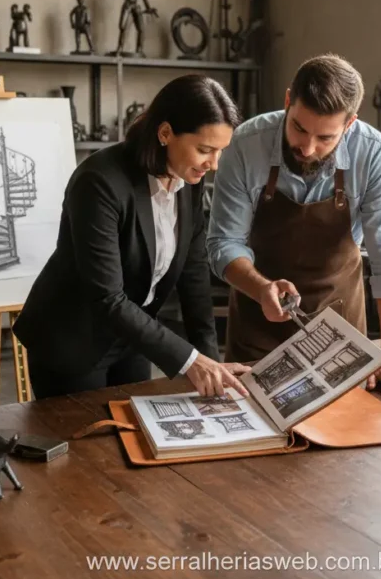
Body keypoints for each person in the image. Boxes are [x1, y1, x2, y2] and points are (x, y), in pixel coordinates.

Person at [13, 74, 251, 399]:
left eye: (220, 151)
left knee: (134, 437)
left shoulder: (188, 180)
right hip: (73, 340)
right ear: (165, 133)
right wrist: (190, 362)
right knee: (83, 446)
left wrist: (211, 362)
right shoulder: (100, 182)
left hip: (133, 338)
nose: (214, 164)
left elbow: (193, 275)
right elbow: (107, 299)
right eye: (205, 150)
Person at [207, 54, 381, 400]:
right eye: (299, 128)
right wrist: (262, 289)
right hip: (257, 328)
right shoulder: (245, 145)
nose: (307, 147)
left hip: (341, 335)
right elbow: (222, 243)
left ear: (349, 124)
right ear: (288, 101)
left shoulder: (373, 153)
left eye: (325, 138)